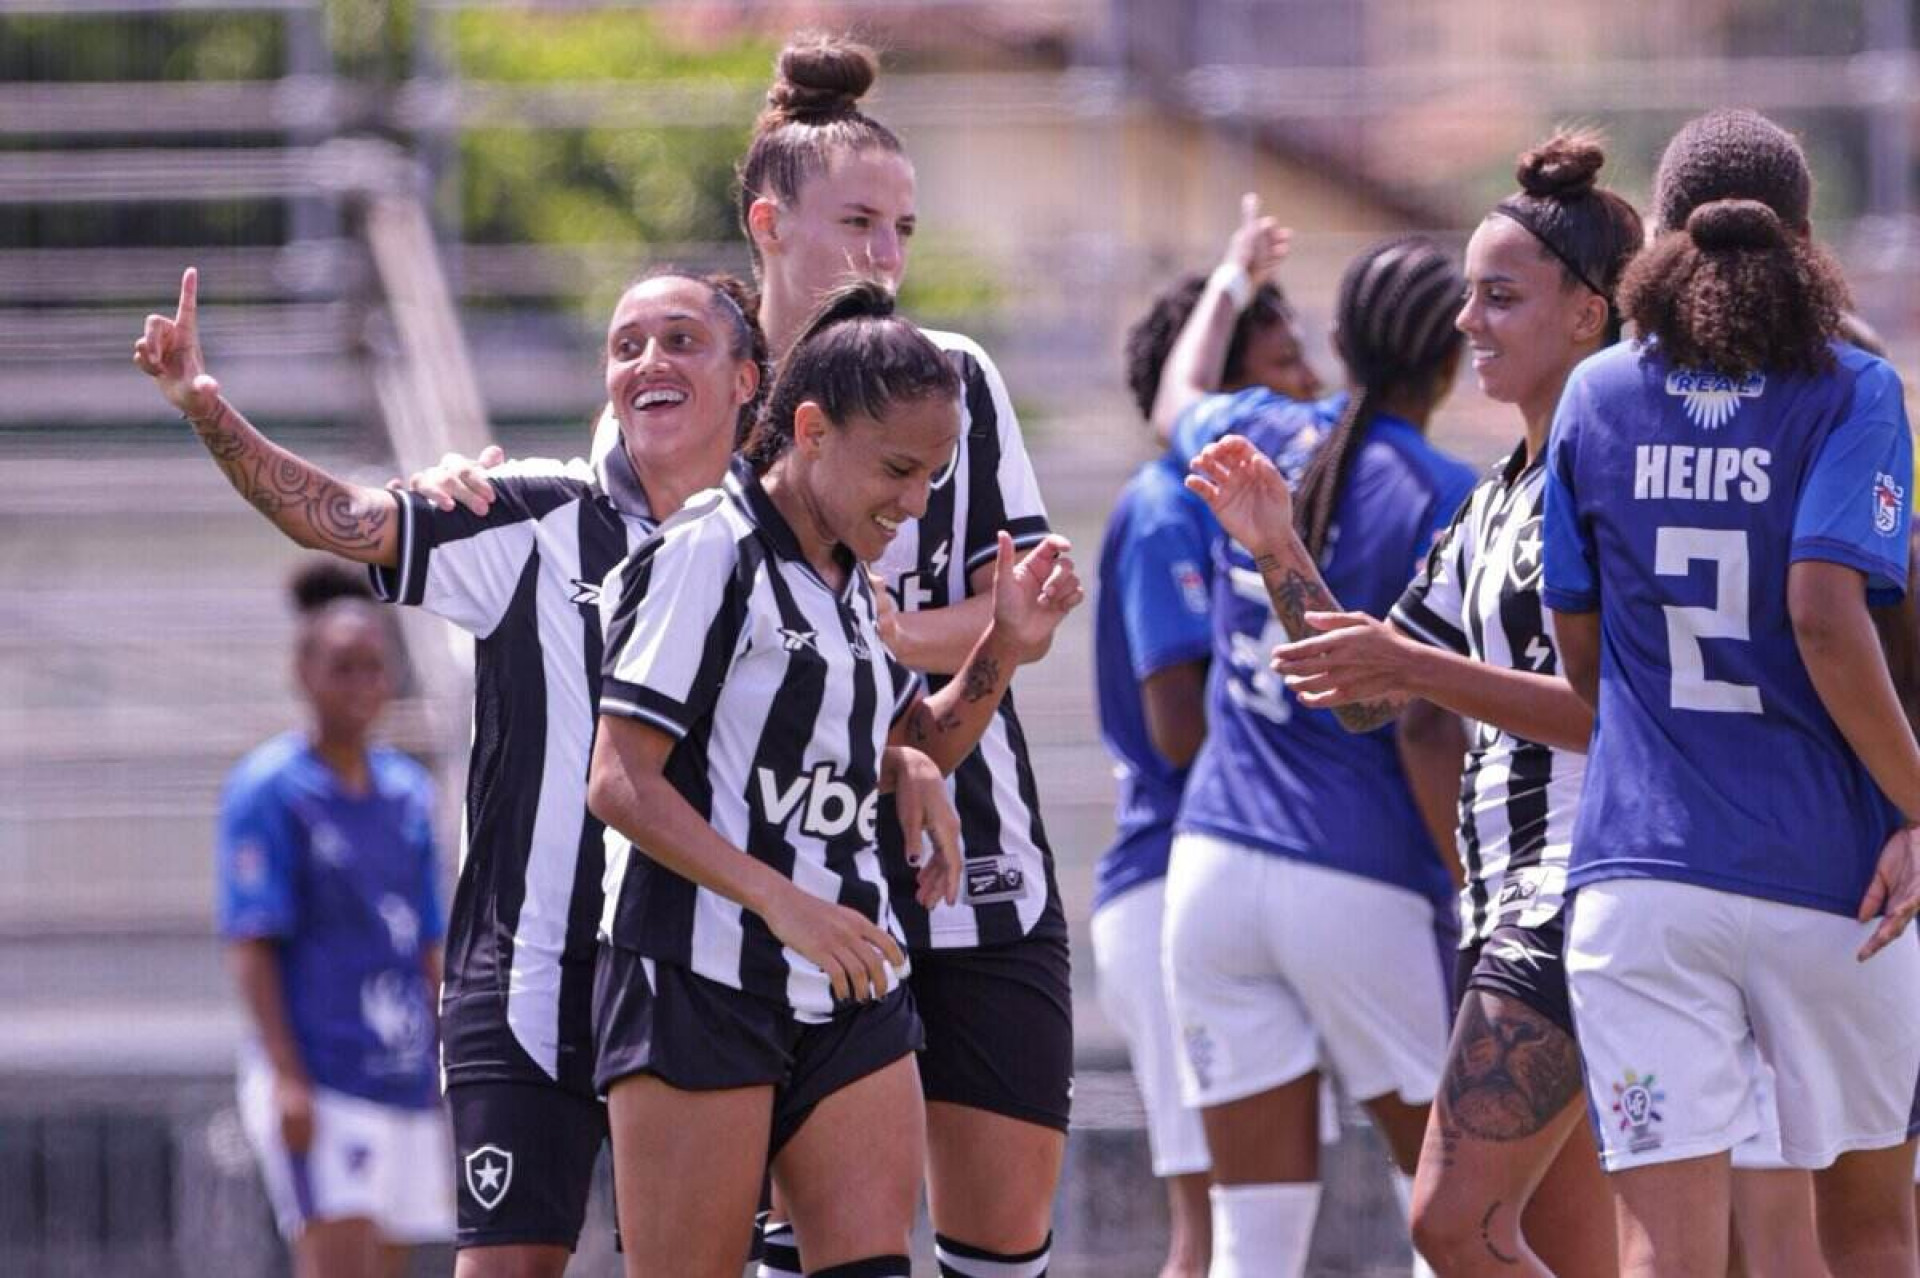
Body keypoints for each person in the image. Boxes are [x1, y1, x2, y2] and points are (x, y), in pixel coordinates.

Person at [137, 265, 764, 1275]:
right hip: (528, 979)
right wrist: (208, 408)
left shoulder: (773, 553)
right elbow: (337, 516)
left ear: (747, 378)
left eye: (681, 338)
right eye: (625, 343)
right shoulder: (531, 515)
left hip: (703, 976)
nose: (648, 359)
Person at [585, 281, 1080, 1278]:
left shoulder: (857, 581)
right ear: (809, 430)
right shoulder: (708, 554)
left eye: (934, 477)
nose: (915, 502)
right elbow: (618, 783)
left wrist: (1005, 647)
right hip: (699, 977)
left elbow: (923, 743)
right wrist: (783, 904)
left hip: (853, 980)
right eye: (897, 469)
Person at [1541, 108, 1920, 1277]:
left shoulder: (1595, 395)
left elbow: (1580, 647)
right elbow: (1823, 611)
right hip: (1832, 880)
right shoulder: (1855, 389)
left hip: (1643, 877)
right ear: (1807, 241)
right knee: (1868, 1227)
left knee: (1665, 1245)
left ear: (1658, 236)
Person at [1265, 132, 1641, 1277]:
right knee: (1553, 1248)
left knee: (1453, 1227)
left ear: (1589, 311)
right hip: (1508, 905)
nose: (1467, 323)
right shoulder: (1496, 497)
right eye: (1467, 297)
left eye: (1499, 297)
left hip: (1576, 890)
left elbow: (1614, 718)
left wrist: (1415, 669)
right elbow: (1368, 699)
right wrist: (1277, 545)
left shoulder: (1614, 468)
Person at [1160, 228, 1478, 1278]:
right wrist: (1474, 892)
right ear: (1454, 356)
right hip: (1362, 876)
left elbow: (1174, 399)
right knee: (1451, 1210)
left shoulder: (1259, 425)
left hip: (1208, 867)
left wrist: (1233, 277)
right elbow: (1428, 722)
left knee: (1252, 1238)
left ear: (1338, 341)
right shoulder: (1448, 489)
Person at [1089, 268, 1322, 1278]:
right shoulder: (1162, 508)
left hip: (1238, 871)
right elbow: (1178, 729)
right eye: (1280, 366)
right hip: (1167, 877)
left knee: (1259, 1214)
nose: (1310, 380)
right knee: (1213, 1222)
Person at [219, 562, 453, 1277]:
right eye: (342, 668)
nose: (360, 687)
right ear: (304, 671)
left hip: (400, 1069)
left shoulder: (407, 792)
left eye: (374, 669)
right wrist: (287, 1077)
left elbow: (427, 942)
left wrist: (448, 1059)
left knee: (393, 1260)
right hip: (322, 1073)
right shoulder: (270, 789)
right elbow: (254, 942)